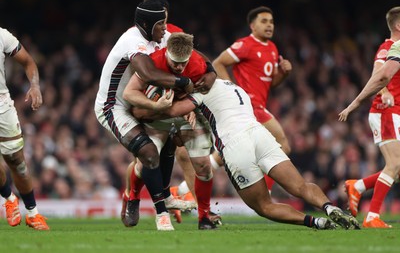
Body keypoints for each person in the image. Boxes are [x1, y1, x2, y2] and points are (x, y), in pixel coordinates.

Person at [130, 78, 361, 230]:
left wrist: (152, 109)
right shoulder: (232, 85)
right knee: (301, 186)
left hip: (234, 143)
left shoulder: (199, 91)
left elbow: (173, 110)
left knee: (263, 206)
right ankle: (331, 207)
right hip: (259, 133)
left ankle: (318, 223)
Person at [94, 0, 197, 231]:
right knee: (149, 153)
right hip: (114, 106)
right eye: (161, 24)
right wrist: (185, 82)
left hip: (141, 101)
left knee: (173, 139)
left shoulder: (161, 37)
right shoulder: (134, 41)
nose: (165, 28)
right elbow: (149, 74)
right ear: (147, 23)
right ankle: (158, 210)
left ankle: (156, 195)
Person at [123, 32, 217, 229]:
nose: (180, 67)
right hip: (155, 115)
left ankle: (205, 217)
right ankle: (134, 197)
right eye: (175, 62)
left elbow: (200, 93)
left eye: (184, 63)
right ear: (166, 52)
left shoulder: (198, 65)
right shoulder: (152, 62)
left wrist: (190, 106)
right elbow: (129, 93)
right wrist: (154, 105)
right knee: (144, 162)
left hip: (184, 115)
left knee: (204, 165)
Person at [211, 6, 292, 192]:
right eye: (264, 21)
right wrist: (232, 90)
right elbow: (218, 63)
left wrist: (284, 74)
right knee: (283, 144)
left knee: (226, 153)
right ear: (252, 25)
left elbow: (270, 84)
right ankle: (266, 193)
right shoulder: (245, 44)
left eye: (271, 22)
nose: (269, 25)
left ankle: (183, 189)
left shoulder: (272, 48)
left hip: (259, 105)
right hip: (251, 106)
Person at [339, 7, 400, 228]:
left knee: (397, 169)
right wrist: (383, 92)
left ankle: (359, 187)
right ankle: (372, 216)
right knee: (394, 164)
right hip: (386, 111)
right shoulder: (389, 47)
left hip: (394, 113)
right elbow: (379, 73)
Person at [0, 27, 49, 230]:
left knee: (17, 162)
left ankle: (32, 213)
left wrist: (35, 85)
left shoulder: (2, 35)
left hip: (1, 105)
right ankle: (9, 197)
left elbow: (28, 62)